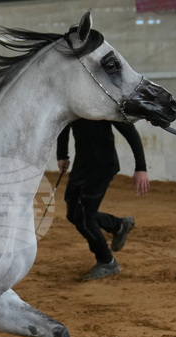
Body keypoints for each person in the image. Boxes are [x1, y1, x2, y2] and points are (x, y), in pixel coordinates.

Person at [56, 120, 149, 281]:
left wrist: (141, 167)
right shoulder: (75, 99)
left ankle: (107, 261)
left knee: (84, 217)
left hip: (102, 165)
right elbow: (64, 122)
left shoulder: (104, 102)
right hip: (81, 165)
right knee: (73, 214)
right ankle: (118, 225)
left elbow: (130, 131)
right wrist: (62, 154)